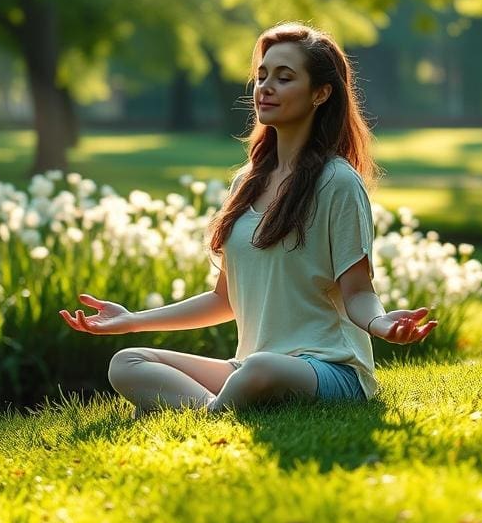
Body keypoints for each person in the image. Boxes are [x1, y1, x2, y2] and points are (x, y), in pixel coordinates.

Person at [59, 21, 436, 417]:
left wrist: (379, 324)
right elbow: (225, 299)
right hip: (251, 368)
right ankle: (214, 410)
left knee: (259, 369)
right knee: (128, 362)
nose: (265, 87)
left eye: (284, 78)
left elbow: (357, 290)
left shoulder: (339, 182)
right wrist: (132, 321)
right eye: (262, 76)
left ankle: (199, 411)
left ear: (320, 93)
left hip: (330, 370)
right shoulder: (247, 181)